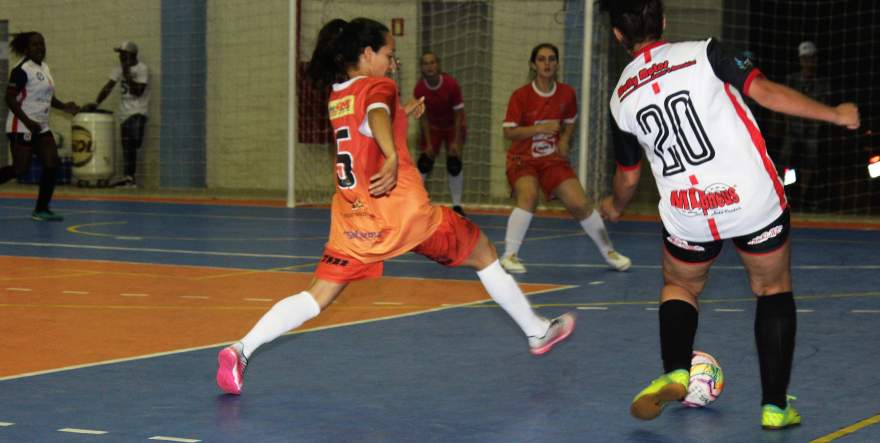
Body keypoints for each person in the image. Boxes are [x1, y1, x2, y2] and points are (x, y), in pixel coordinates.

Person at [215, 18, 576, 395]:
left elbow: (369, 123)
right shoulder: (379, 85)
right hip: (403, 214)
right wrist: (391, 155)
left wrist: (401, 113)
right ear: (367, 53)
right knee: (483, 251)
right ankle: (536, 331)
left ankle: (241, 349)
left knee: (315, 297)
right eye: (388, 54)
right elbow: (375, 117)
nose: (392, 62)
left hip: (353, 219)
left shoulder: (338, 94)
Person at [596, 0, 859, 430]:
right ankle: (775, 406)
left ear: (617, 36)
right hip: (749, 199)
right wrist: (834, 114)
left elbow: (627, 178)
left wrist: (615, 206)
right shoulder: (706, 52)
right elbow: (767, 93)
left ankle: (677, 369)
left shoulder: (620, 95)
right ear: (663, 21)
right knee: (772, 288)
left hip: (688, 211)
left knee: (680, 284)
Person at [499, 43, 630, 274]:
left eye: (551, 59)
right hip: (523, 159)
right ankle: (509, 255)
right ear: (533, 64)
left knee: (581, 203)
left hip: (552, 160)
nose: (547, 64)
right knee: (528, 196)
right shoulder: (520, 96)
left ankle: (609, 252)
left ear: (557, 64)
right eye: (541, 59)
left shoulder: (567, 93)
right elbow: (508, 132)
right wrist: (539, 129)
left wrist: (565, 139)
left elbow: (570, 120)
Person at [0, 32, 79, 221]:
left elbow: (47, 97)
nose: (40, 48)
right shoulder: (21, 70)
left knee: (52, 163)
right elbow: (9, 98)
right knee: (20, 169)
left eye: (42, 44)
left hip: (40, 127)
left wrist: (64, 106)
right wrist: (27, 121)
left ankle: (41, 209)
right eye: (35, 44)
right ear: (26, 49)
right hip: (22, 126)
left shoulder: (44, 67)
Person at [85, 41, 149, 188]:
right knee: (127, 146)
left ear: (131, 55)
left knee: (134, 142)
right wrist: (96, 103)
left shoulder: (142, 69)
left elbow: (138, 91)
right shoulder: (118, 69)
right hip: (124, 114)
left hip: (138, 111)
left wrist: (127, 74)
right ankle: (129, 178)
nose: (120, 57)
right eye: (119, 54)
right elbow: (108, 87)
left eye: (122, 54)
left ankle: (129, 177)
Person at [778, 41, 831, 210]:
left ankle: (804, 196)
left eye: (811, 58)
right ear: (800, 60)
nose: (808, 62)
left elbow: (825, 105)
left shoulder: (823, 83)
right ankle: (783, 193)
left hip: (812, 131)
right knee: (785, 160)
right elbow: (782, 102)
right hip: (793, 129)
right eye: (805, 59)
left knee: (810, 161)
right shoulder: (791, 80)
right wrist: (786, 123)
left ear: (815, 60)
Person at [413, 52, 467, 217]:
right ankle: (418, 204)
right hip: (433, 127)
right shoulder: (420, 88)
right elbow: (423, 118)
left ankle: (457, 205)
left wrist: (455, 141)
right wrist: (428, 144)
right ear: (422, 67)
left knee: (454, 164)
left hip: (453, 126)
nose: (429, 66)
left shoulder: (451, 85)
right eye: (425, 63)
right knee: (424, 163)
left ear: (438, 65)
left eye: (432, 62)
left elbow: (459, 114)